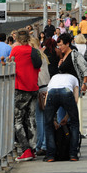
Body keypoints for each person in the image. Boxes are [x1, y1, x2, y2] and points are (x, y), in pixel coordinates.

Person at [9, 29, 42, 161]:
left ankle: (25, 149)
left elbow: (12, 66)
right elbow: (37, 67)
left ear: (17, 39)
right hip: (33, 88)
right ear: (28, 39)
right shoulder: (35, 51)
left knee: (17, 121)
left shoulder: (15, 51)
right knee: (31, 119)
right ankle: (33, 148)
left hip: (20, 88)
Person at [44, 72, 80, 162]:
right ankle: (73, 154)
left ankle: (51, 155)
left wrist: (53, 120)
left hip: (52, 93)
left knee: (48, 126)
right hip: (66, 92)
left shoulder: (54, 77)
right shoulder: (75, 79)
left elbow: (46, 103)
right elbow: (75, 100)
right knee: (74, 124)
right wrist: (67, 117)